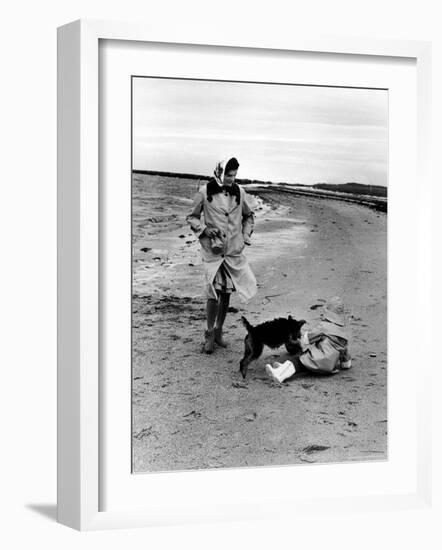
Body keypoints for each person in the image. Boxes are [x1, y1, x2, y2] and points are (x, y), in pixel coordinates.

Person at [186, 156, 257, 353]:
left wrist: (245, 237)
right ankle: (208, 334)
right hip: (214, 251)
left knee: (226, 294)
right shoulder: (204, 191)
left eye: (234, 175)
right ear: (220, 172)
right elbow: (191, 217)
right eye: (228, 175)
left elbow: (249, 216)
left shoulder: (239, 193)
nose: (231, 179)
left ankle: (219, 332)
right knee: (212, 294)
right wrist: (204, 230)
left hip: (233, 251)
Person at [265, 297, 352, 383]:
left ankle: (279, 374)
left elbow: (309, 338)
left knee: (298, 361)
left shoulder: (324, 326)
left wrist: (302, 340)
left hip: (318, 360)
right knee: (306, 366)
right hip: (330, 367)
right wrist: (345, 363)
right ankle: (283, 368)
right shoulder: (342, 333)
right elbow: (345, 355)